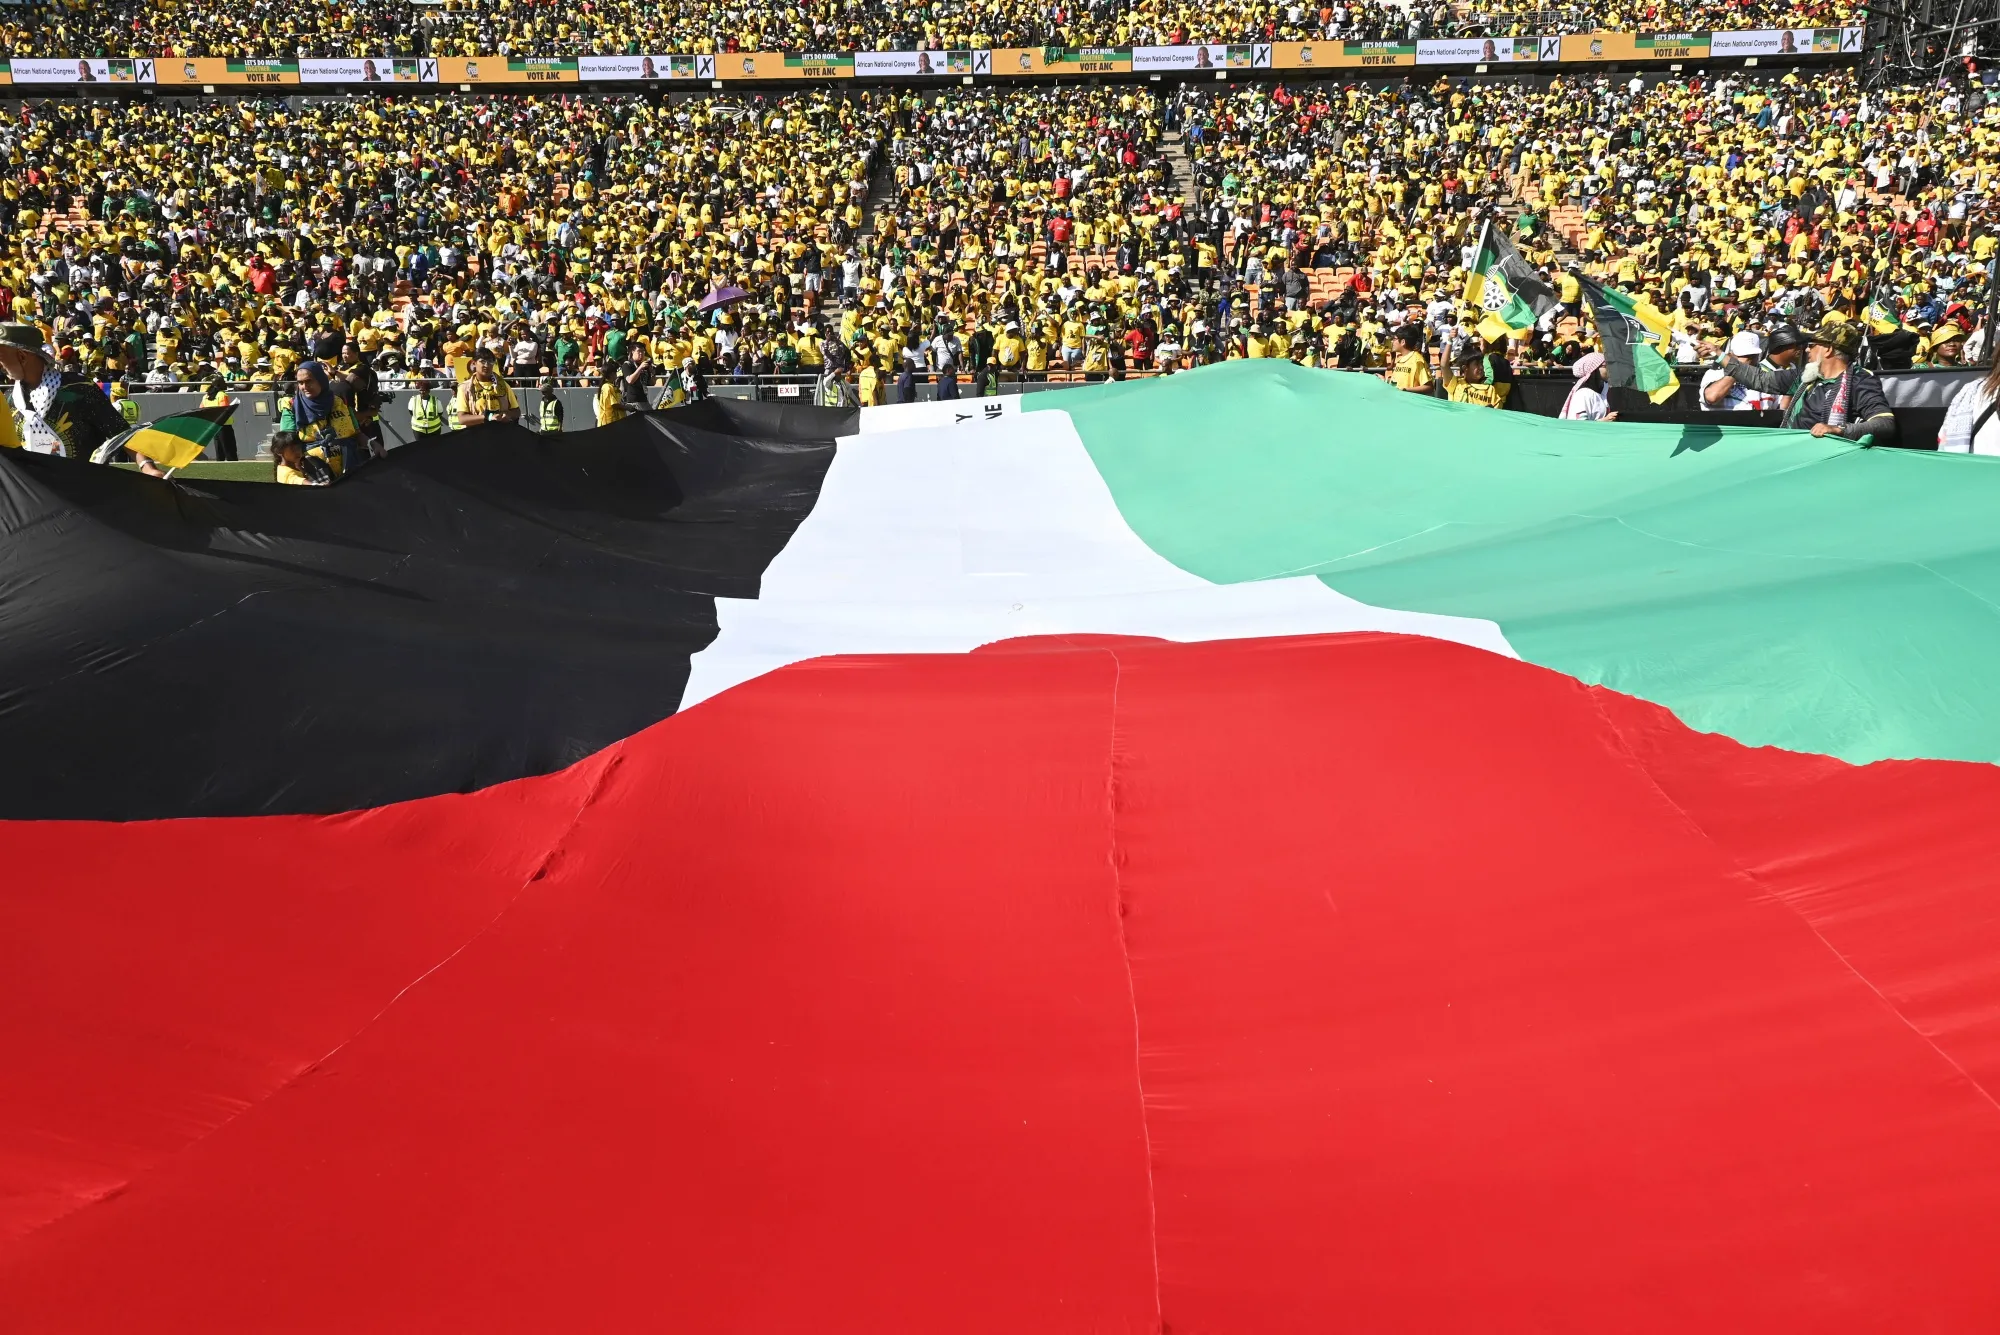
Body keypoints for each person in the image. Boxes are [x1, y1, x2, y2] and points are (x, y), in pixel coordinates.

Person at [0, 322, 125, 458]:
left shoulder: (80, 388)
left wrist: (146, 465)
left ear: (22, 357)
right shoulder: (10, 399)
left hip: (83, 478)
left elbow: (120, 431)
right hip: (33, 479)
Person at [1784, 321, 1897, 444]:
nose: (1806, 350)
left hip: (1824, 456)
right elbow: (1762, 379)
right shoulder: (1807, 376)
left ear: (1828, 349)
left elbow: (1885, 422)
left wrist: (1838, 429)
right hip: (1792, 450)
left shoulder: (1860, 380)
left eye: (1811, 345)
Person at [291, 360, 362, 474]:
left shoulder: (339, 401)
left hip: (350, 466)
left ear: (321, 380)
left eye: (309, 381)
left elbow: (356, 432)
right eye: (301, 383)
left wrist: (372, 444)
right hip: (316, 473)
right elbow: (287, 443)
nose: (305, 387)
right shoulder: (292, 406)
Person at [456, 350, 520, 428]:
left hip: (501, 433)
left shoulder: (503, 384)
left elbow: (516, 411)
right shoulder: (465, 387)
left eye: (490, 361)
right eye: (482, 361)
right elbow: (462, 419)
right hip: (477, 435)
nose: (487, 365)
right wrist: (488, 417)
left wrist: (507, 415)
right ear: (474, 363)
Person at [1560, 352, 1617, 421]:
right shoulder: (1583, 394)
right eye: (1606, 366)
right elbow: (1580, 425)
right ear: (1594, 369)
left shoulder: (1604, 389)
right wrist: (1604, 420)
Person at [200, 378, 239, 461]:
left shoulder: (205, 396)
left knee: (218, 446)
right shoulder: (222, 394)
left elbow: (201, 408)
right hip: (224, 424)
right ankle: (232, 461)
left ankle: (220, 461)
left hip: (213, 424)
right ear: (220, 384)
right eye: (223, 382)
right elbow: (224, 409)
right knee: (229, 446)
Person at [1388, 325, 1432, 394]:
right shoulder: (1400, 360)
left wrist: (1406, 390)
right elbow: (1396, 385)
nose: (1392, 342)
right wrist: (1385, 381)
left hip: (1410, 403)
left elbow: (1428, 387)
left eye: (1394, 339)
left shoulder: (1417, 360)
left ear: (1403, 342)